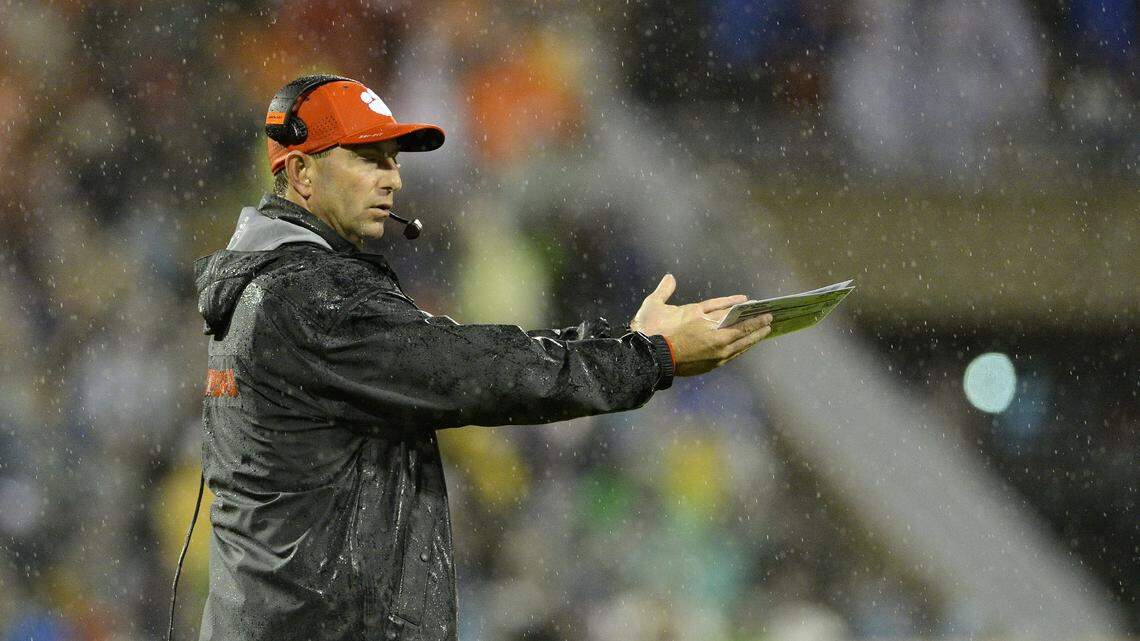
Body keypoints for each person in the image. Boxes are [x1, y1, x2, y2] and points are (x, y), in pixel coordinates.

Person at [191, 74, 773, 641]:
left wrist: (632, 341)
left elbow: (472, 356)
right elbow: (480, 371)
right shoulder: (310, 296)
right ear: (300, 172)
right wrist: (647, 356)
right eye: (369, 158)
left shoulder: (282, 290)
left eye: (393, 159)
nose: (393, 178)